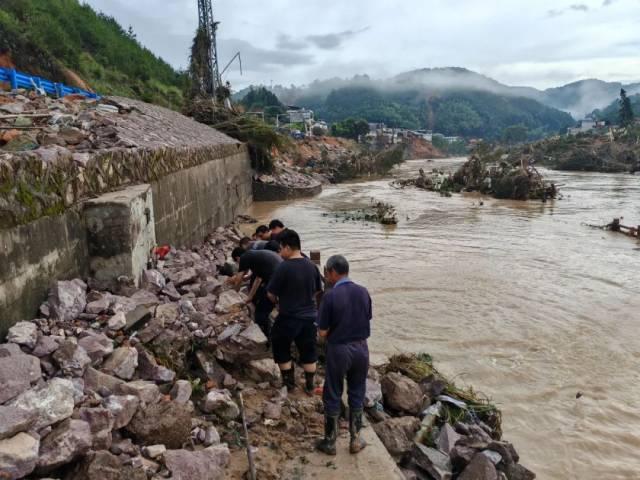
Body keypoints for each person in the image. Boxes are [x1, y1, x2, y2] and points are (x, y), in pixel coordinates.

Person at [316, 255, 372, 456]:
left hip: (339, 349)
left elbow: (322, 333)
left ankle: (330, 442)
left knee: (333, 391)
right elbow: (367, 318)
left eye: (327, 273)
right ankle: (356, 439)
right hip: (361, 349)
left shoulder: (330, 296)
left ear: (331, 272)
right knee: (357, 391)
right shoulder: (363, 292)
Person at [267, 229, 323, 393]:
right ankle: (310, 386)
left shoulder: (283, 267)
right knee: (308, 349)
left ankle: (289, 384)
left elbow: (271, 293)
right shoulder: (312, 267)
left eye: (280, 248)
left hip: (289, 317)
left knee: (280, 344)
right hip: (310, 317)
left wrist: (278, 303)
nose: (279, 251)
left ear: (287, 247)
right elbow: (317, 291)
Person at [229, 247, 282, 339]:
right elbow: (258, 279)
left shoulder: (245, 257)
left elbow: (239, 279)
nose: (239, 264)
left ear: (237, 258)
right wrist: (249, 297)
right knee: (265, 305)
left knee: (260, 314)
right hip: (282, 277)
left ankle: (267, 339)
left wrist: (233, 293)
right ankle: (272, 329)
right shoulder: (255, 258)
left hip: (277, 279)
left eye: (237, 262)